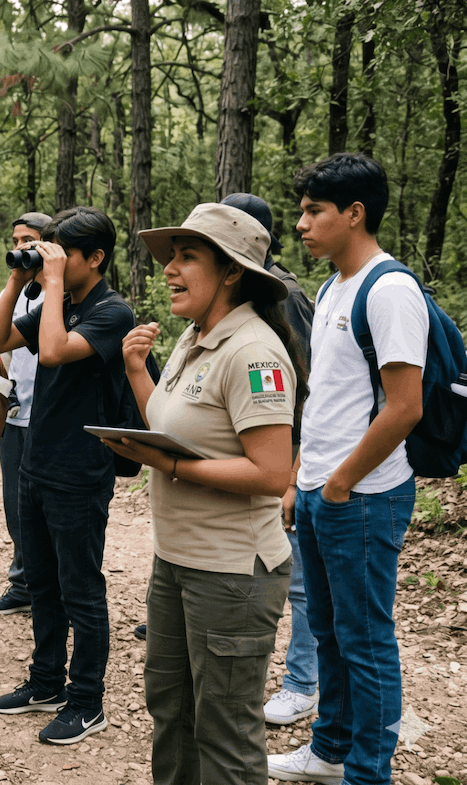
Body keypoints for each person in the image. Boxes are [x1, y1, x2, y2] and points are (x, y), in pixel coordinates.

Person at [101, 203, 302, 785]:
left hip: (233, 572)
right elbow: (172, 427)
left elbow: (270, 473)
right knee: (171, 709)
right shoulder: (195, 337)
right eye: (170, 256)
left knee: (224, 730)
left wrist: (167, 464)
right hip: (175, 561)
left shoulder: (254, 352)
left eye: (187, 256)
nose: (169, 268)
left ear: (232, 270)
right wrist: (138, 371)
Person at [268, 153, 425, 785]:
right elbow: (328, 399)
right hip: (320, 490)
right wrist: (302, 475)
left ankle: (367, 771)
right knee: (329, 636)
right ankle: (328, 754)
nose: (301, 224)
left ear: (354, 213)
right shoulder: (334, 285)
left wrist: (337, 484)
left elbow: (405, 407)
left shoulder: (389, 291)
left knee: (366, 643)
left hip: (361, 498)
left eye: (314, 212)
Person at [0, 207, 135, 745]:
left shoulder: (113, 312)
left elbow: (51, 352)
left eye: (61, 252)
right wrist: (18, 279)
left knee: (81, 590)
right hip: (37, 463)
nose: (52, 260)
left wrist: (47, 286)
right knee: (42, 583)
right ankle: (45, 682)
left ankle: (87, 701)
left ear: (94, 258)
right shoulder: (57, 301)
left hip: (80, 470)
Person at [219, 193, 322, 726]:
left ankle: (302, 682)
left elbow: (307, 388)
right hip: (239, 465)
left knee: (299, 578)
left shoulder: (284, 296)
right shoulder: (224, 293)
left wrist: (294, 473)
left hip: (287, 460)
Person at [0, 210, 51, 616]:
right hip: (14, 410)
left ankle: (51, 587)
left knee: (46, 507)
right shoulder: (15, 291)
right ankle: (23, 582)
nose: (20, 247)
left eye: (29, 239)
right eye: (16, 240)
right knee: (15, 504)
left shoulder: (59, 292)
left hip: (46, 414)